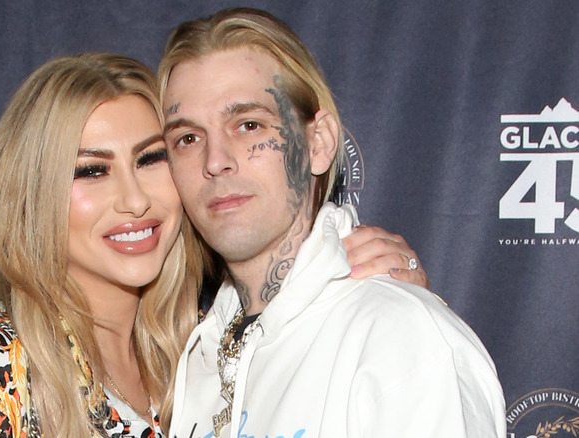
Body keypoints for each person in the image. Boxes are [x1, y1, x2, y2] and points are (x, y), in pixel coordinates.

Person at [0, 54, 429, 438]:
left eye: (152, 159)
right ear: (33, 195)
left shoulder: (195, 345)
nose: (134, 200)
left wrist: (399, 305)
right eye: (91, 170)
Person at [158, 8, 506, 438]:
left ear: (318, 143)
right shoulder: (200, 354)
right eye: (187, 138)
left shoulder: (399, 340)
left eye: (248, 125)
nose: (215, 161)